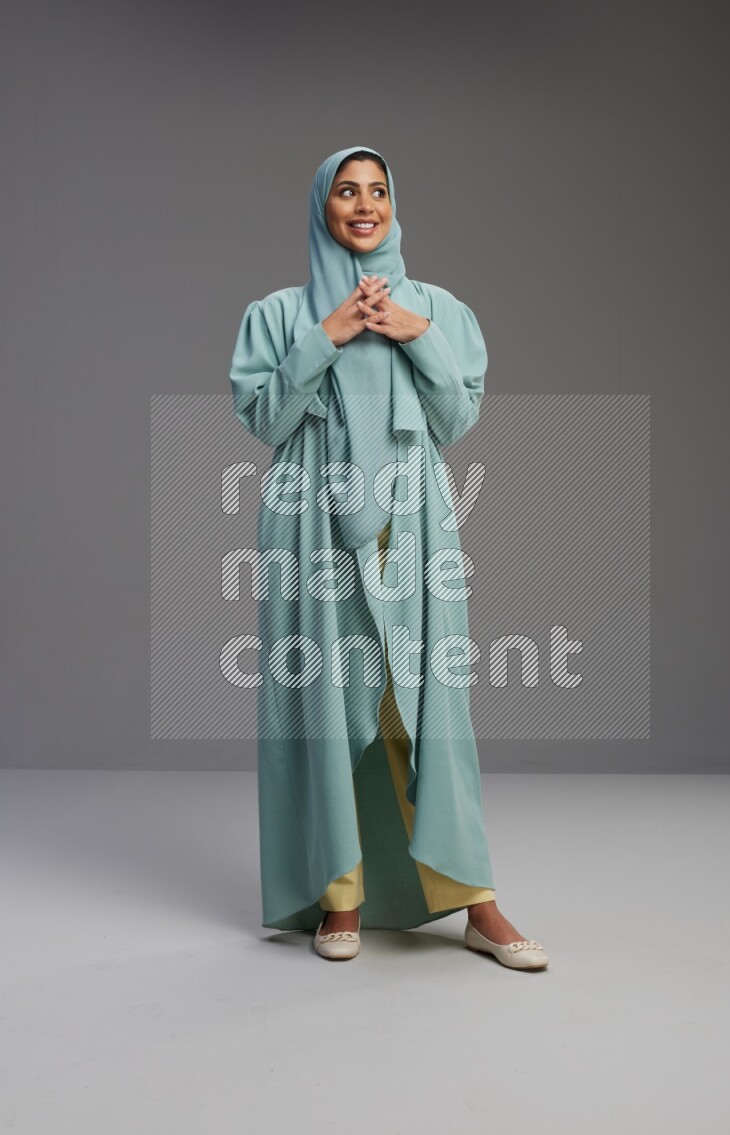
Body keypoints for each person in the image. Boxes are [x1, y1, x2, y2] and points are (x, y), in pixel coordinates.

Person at [229, 145, 548, 971]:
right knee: (325, 706)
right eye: (346, 191)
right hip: (310, 523)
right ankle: (341, 898)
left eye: (378, 191)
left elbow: (454, 418)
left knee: (428, 704)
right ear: (321, 207)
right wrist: (326, 337)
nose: (363, 205)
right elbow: (264, 422)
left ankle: (475, 900)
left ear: (394, 205)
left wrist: (416, 334)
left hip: (412, 520)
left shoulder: (438, 307)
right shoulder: (276, 313)